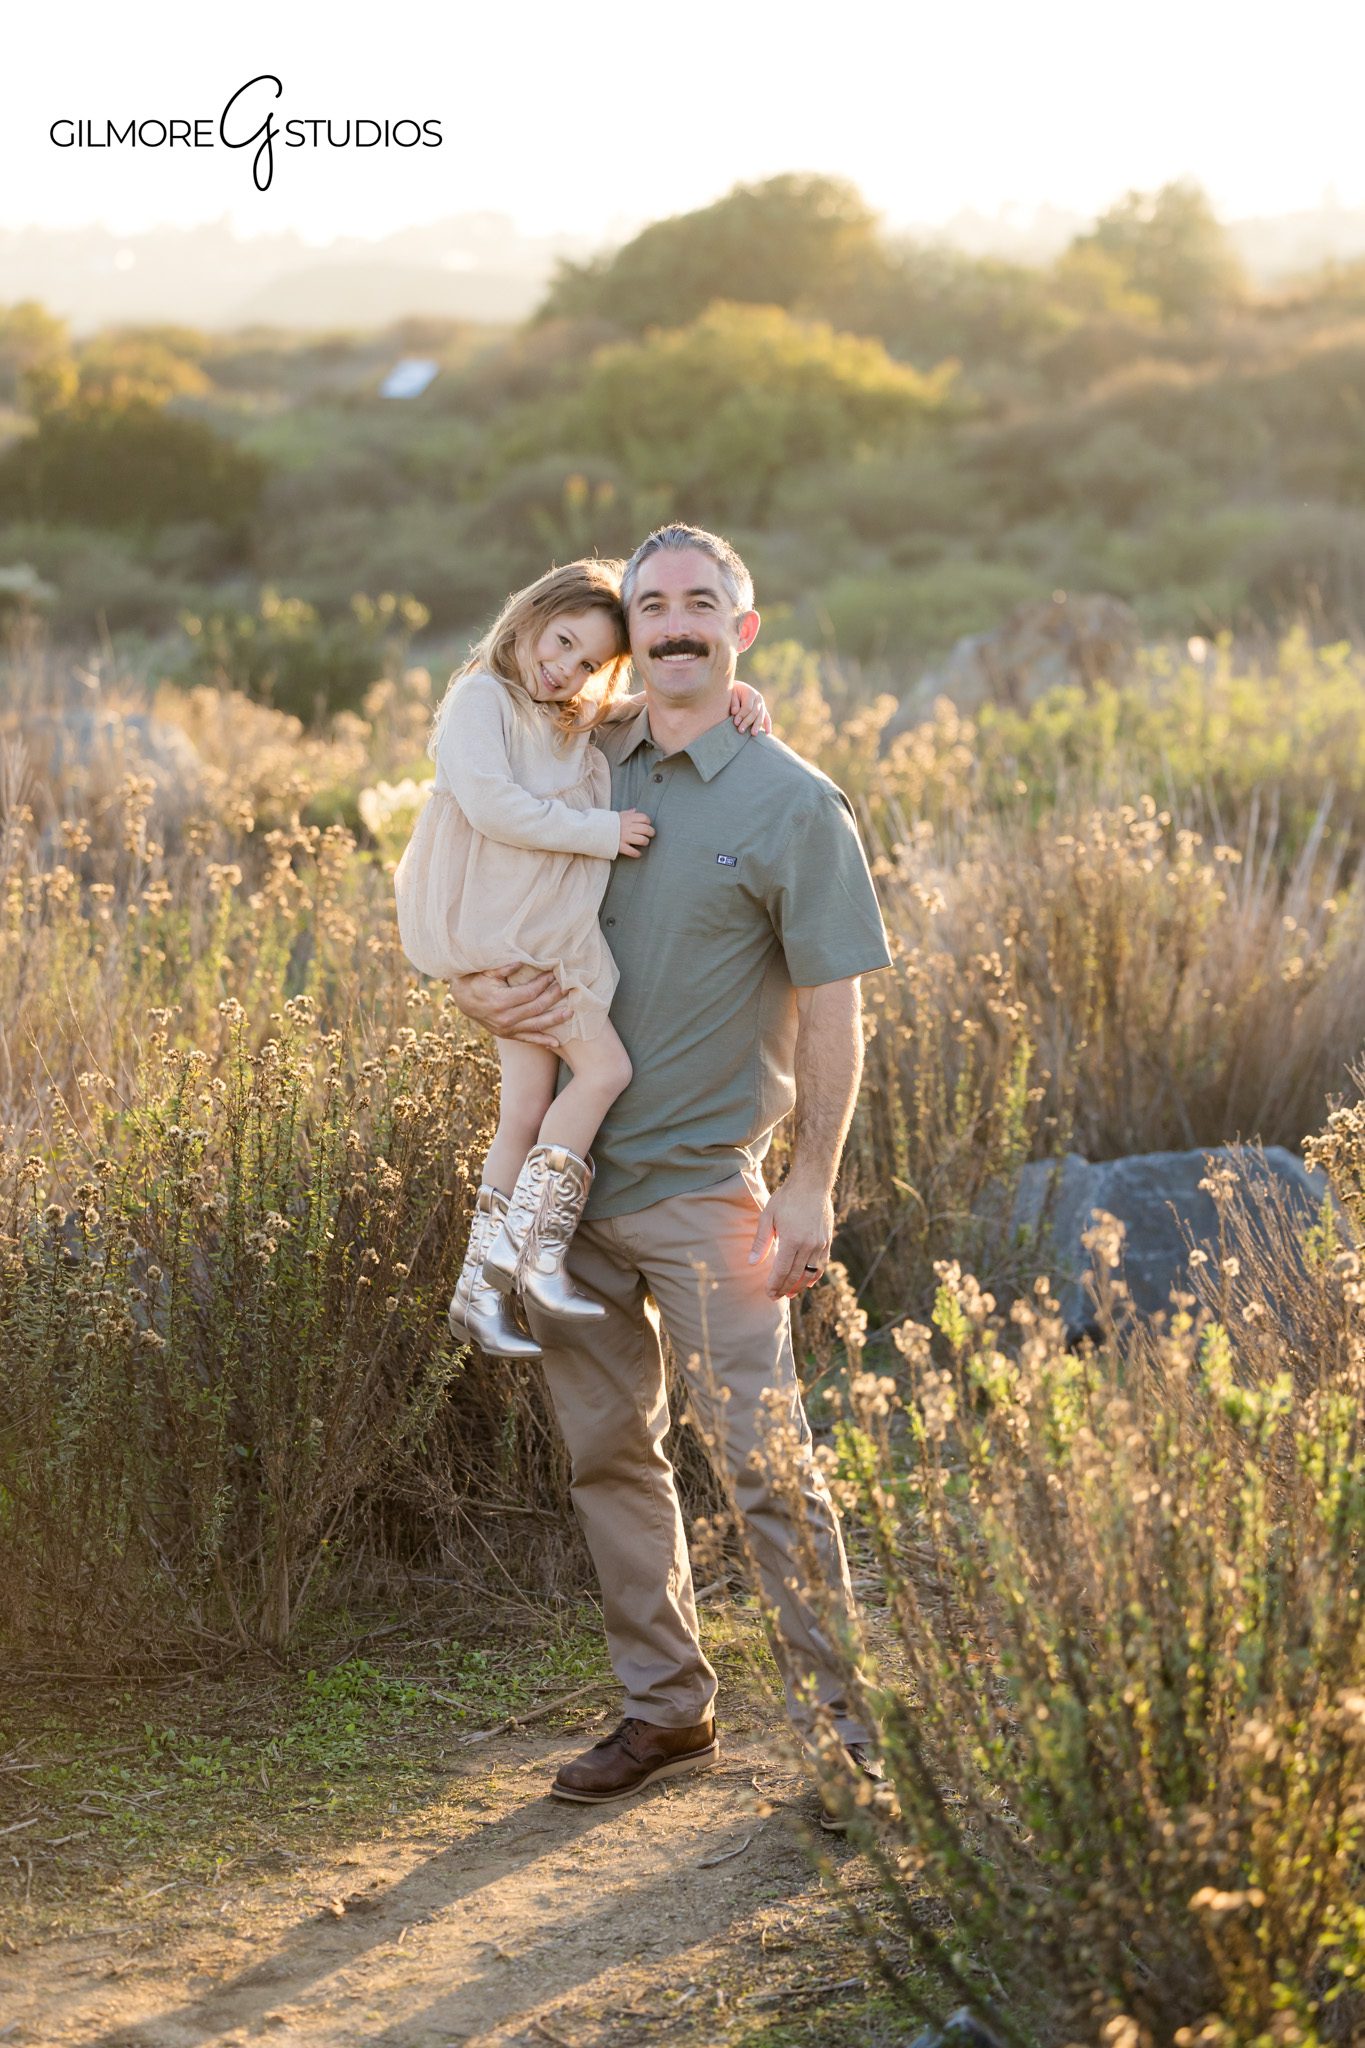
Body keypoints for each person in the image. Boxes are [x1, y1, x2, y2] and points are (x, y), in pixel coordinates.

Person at [448, 525, 892, 1817]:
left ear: (742, 630)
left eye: (703, 604)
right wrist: (473, 984)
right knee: (608, 1457)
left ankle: (844, 1736)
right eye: (654, 606)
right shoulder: (580, 758)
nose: (678, 624)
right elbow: (480, 842)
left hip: (707, 1192)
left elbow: (834, 1009)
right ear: (630, 632)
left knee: (767, 1464)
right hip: (566, 1188)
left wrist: (809, 1183)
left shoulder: (794, 803)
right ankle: (665, 1708)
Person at [393, 559, 768, 1359]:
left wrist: (733, 692)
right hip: (515, 935)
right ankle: (534, 1258)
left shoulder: (560, 714)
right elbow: (492, 805)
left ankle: (479, 1294)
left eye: (589, 662)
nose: (565, 669)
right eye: (560, 642)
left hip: (529, 933)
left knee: (524, 1111)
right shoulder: (482, 699)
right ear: (528, 618)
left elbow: (640, 706)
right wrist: (602, 831)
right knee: (603, 1071)